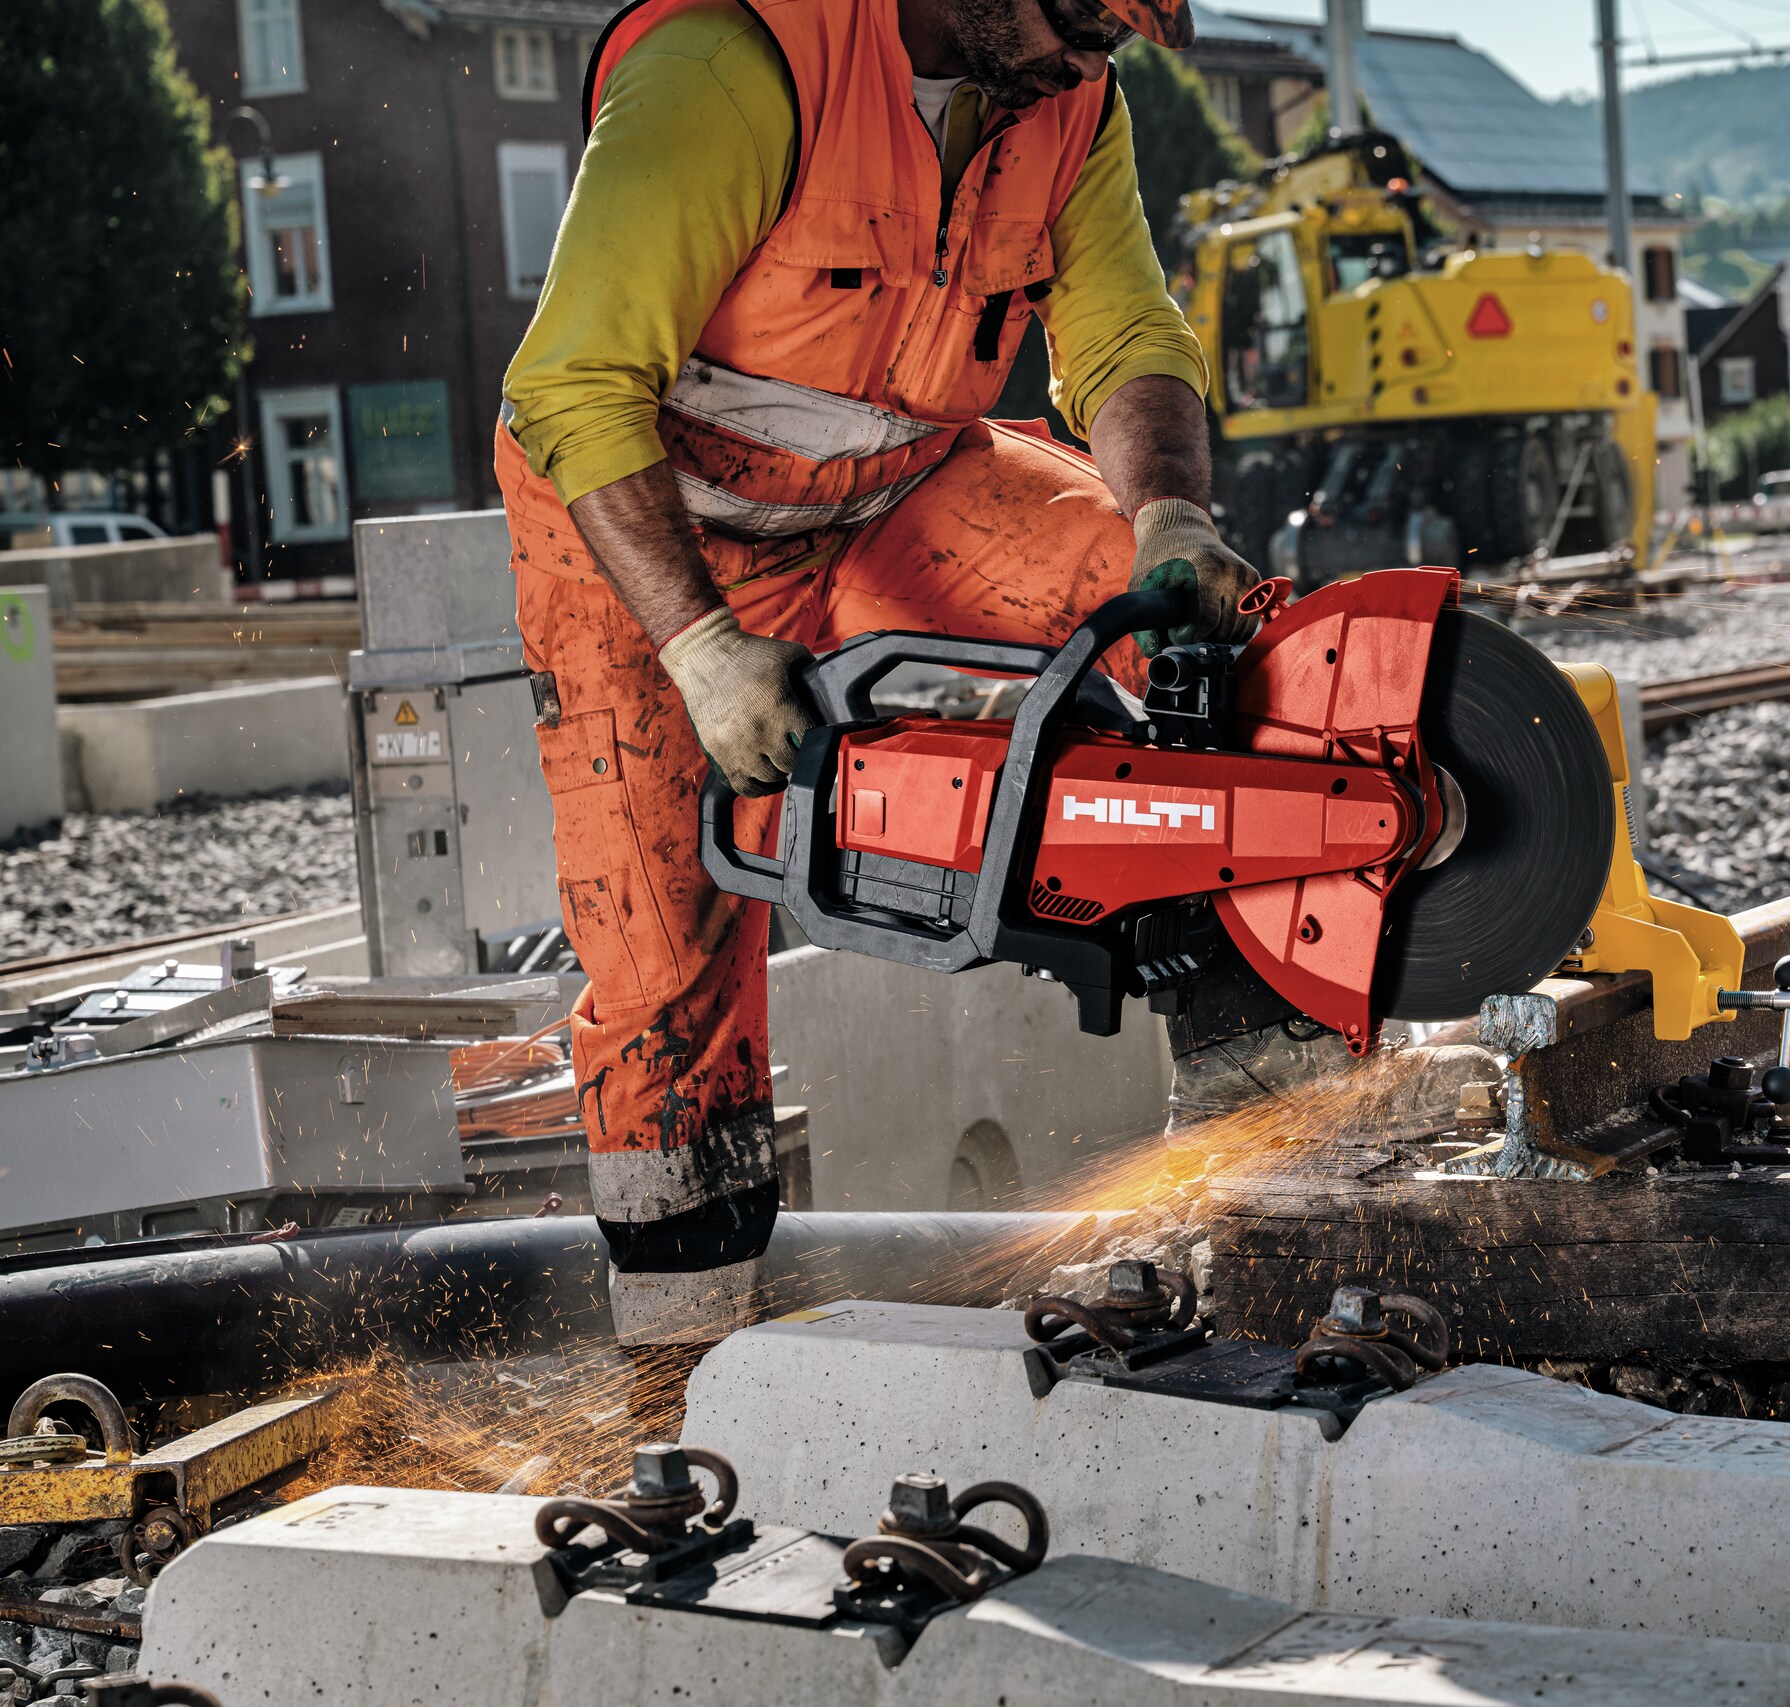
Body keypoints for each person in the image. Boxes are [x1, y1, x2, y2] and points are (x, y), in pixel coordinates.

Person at [495, 0, 1259, 1359]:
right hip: (648, 535)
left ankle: (1284, 1160)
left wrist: (1171, 518)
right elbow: (573, 385)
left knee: (1198, 637)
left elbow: (1127, 325)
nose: (1087, 64)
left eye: (1111, 42)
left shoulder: (1071, 94)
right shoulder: (733, 68)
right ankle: (685, 1371)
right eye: (1072, 23)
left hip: (899, 485)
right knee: (665, 968)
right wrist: (698, 648)